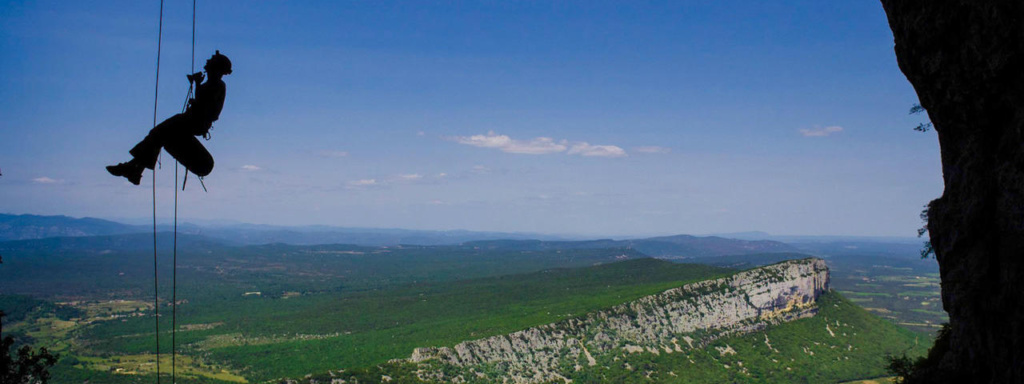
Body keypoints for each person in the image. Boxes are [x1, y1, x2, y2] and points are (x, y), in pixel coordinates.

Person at [107, 51, 232, 185]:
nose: (207, 61)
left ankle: (134, 169)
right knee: (159, 135)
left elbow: (208, 108)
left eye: (211, 60)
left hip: (194, 122)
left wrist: (197, 88)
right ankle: (135, 170)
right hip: (192, 121)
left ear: (217, 67)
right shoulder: (212, 84)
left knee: (158, 133)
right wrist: (197, 85)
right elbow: (203, 102)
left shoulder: (218, 85)